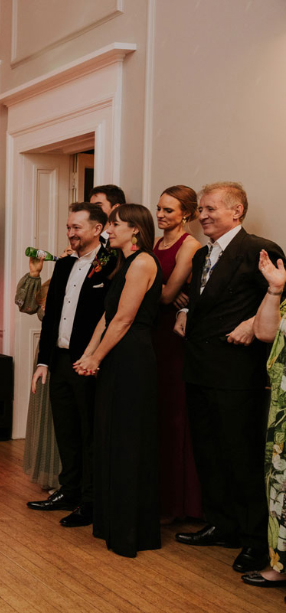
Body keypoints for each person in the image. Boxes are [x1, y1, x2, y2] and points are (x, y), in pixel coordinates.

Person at [174, 182, 284, 573]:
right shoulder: (204, 254)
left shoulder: (260, 249)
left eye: (209, 209)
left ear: (236, 211)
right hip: (200, 368)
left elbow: (280, 297)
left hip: (238, 372)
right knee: (209, 452)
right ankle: (222, 524)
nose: (202, 215)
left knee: (241, 457)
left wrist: (253, 323)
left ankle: (255, 541)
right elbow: (199, 300)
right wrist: (184, 313)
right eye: (201, 210)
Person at [74, 204, 162, 557]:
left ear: (135, 230)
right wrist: (89, 352)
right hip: (115, 356)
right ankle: (111, 523)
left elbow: (124, 321)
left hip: (132, 358)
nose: (109, 229)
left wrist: (97, 357)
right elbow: (106, 318)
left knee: (127, 440)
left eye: (115, 224)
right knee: (109, 436)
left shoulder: (143, 263)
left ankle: (131, 532)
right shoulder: (125, 263)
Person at [27, 202, 117, 528]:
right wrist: (43, 361)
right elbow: (51, 316)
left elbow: (111, 315)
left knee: (89, 432)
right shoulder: (64, 263)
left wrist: (94, 357)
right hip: (61, 360)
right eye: (68, 227)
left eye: (77, 227)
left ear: (97, 229)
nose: (70, 233)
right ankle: (69, 491)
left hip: (89, 362)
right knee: (66, 431)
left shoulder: (110, 262)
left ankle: (90, 502)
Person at [152, 186, 202, 522]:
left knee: (174, 413)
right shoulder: (157, 244)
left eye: (168, 210)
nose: (160, 215)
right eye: (159, 209)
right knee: (156, 412)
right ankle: (159, 497)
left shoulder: (190, 246)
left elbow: (168, 295)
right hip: (153, 331)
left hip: (172, 336)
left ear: (185, 213)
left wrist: (159, 290)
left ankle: (180, 504)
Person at [243, 249, 286, 590]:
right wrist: (274, 290)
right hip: (282, 411)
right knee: (281, 487)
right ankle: (280, 565)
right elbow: (264, 332)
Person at [15, 256, 60, 490]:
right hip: (46, 355)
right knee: (48, 412)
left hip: (70, 353)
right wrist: (34, 274)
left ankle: (70, 479)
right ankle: (53, 473)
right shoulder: (56, 280)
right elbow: (27, 305)